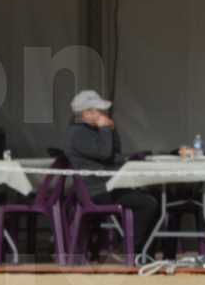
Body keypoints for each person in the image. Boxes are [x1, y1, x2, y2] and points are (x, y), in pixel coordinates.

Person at [63, 90, 159, 258]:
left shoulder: (90, 130)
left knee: (152, 198)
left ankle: (143, 252)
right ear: (86, 113)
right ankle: (132, 250)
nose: (102, 114)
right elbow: (105, 154)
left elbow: (115, 153)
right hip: (96, 190)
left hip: (108, 185)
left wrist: (111, 131)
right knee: (148, 204)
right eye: (97, 111)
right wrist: (106, 129)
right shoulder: (77, 133)